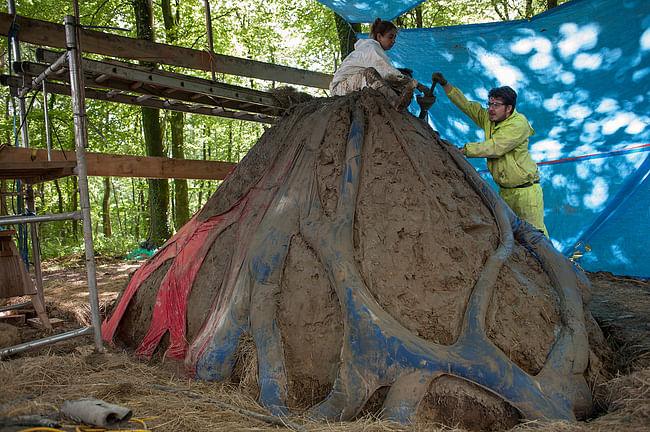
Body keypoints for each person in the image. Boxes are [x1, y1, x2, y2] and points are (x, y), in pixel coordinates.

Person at [431, 72, 549, 237]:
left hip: (526, 194)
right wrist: (446, 85)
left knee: (536, 238)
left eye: (496, 105)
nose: (491, 109)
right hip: (505, 192)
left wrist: (464, 150)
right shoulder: (490, 118)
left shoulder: (518, 124)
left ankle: (556, 264)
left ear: (509, 108)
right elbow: (467, 106)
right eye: (490, 103)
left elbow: (495, 147)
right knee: (511, 237)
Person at [330, 18, 429, 111]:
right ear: (379, 36)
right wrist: (417, 85)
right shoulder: (371, 48)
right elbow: (387, 73)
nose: (394, 41)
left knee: (383, 76)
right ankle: (396, 102)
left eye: (395, 37)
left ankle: (397, 99)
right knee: (371, 73)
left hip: (351, 82)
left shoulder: (373, 48)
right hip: (340, 88)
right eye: (390, 37)